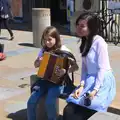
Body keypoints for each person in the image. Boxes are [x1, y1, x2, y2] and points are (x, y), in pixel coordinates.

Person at [63, 12, 116, 120]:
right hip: (89, 81)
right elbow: (84, 68)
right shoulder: (85, 42)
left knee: (82, 114)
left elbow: (102, 69)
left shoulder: (100, 43)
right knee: (68, 110)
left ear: (91, 28)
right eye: (77, 25)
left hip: (101, 82)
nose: (78, 28)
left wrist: (95, 90)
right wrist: (81, 85)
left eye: (82, 26)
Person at [27, 26, 78, 120]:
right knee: (31, 101)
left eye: (49, 39)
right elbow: (35, 65)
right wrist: (39, 61)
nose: (47, 42)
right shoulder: (43, 50)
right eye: (45, 40)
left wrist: (66, 71)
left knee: (49, 102)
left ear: (56, 38)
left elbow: (76, 67)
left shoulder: (64, 50)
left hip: (58, 83)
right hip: (44, 81)